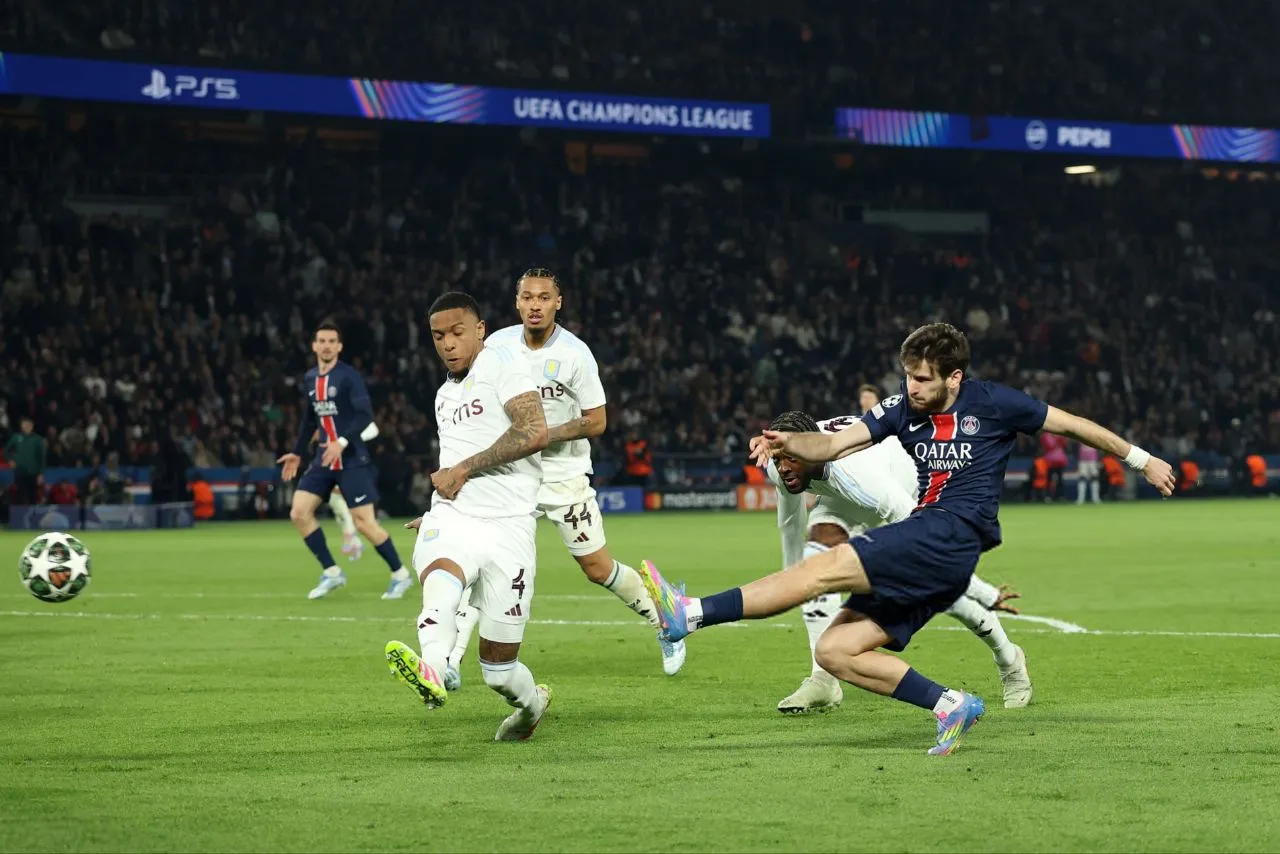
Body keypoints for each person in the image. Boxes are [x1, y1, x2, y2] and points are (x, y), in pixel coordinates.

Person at [639, 322, 1175, 756]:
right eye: (907, 376)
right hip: (930, 545)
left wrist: (1142, 460)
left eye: (921, 379)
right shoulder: (898, 409)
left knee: (819, 568)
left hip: (948, 531)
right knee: (837, 651)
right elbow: (832, 446)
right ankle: (951, 705)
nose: (911, 387)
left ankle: (690, 614)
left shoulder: (995, 403)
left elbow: (1074, 425)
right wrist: (786, 442)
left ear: (954, 378)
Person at [443, 268, 684, 687]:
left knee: (597, 568)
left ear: (558, 303)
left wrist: (539, 435)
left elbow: (597, 421)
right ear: (516, 302)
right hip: (510, 474)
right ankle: (450, 659)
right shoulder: (496, 345)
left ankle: (667, 617)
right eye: (527, 297)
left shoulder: (575, 354)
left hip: (562, 476)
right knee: (481, 561)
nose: (535, 305)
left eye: (544, 297)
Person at [765, 410, 1030, 714]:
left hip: (904, 487)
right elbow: (790, 522)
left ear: (811, 448)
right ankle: (823, 679)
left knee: (939, 588)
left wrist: (982, 590)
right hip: (843, 494)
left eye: (790, 459)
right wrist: (792, 578)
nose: (783, 468)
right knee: (815, 561)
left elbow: (924, 534)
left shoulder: (862, 478)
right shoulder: (783, 459)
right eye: (778, 460)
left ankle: (1009, 659)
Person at [385, 291, 553, 741]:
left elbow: (535, 431)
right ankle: (433, 669)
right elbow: (451, 465)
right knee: (440, 580)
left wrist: (464, 469)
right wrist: (435, 512)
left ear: (480, 330)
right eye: (438, 336)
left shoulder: (501, 366)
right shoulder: (444, 394)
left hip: (509, 528)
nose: (448, 344)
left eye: (457, 333)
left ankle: (531, 707)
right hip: (455, 517)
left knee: (499, 671)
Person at [277, 321, 412, 600]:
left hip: (351, 458)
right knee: (299, 513)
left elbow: (365, 415)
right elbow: (309, 420)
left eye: (331, 341)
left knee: (364, 523)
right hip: (323, 459)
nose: (326, 346)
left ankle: (400, 575)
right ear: (314, 346)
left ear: (339, 347)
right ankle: (332, 572)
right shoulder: (310, 379)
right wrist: (297, 452)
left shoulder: (348, 377)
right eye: (322, 341)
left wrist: (342, 441)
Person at [5, 418, 46, 505]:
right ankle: (19, 513)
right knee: (20, 495)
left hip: (33, 472)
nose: (26, 426)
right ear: (21, 426)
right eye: (24, 424)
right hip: (19, 471)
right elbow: (6, 451)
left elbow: (41, 458)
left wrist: (41, 473)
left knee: (32, 496)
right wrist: (10, 460)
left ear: (32, 426)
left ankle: (32, 513)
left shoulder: (37, 439)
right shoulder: (16, 437)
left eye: (28, 424)